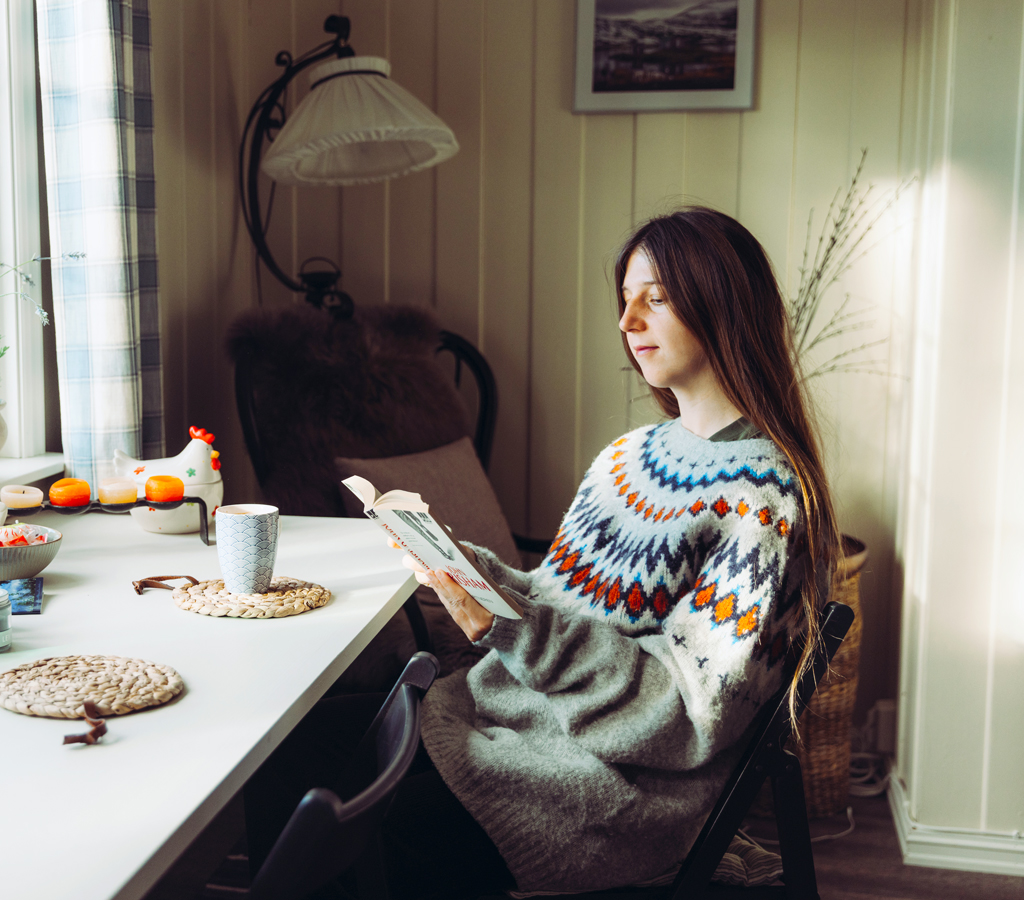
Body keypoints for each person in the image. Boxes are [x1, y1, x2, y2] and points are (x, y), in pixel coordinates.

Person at [243, 206, 840, 899]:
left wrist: (512, 626)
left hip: (601, 791)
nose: (628, 323)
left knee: (367, 826)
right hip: (507, 721)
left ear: (724, 303)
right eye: (624, 302)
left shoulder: (764, 499)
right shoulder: (628, 458)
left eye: (656, 298)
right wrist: (472, 571)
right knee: (287, 753)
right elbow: (558, 596)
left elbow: (689, 714)